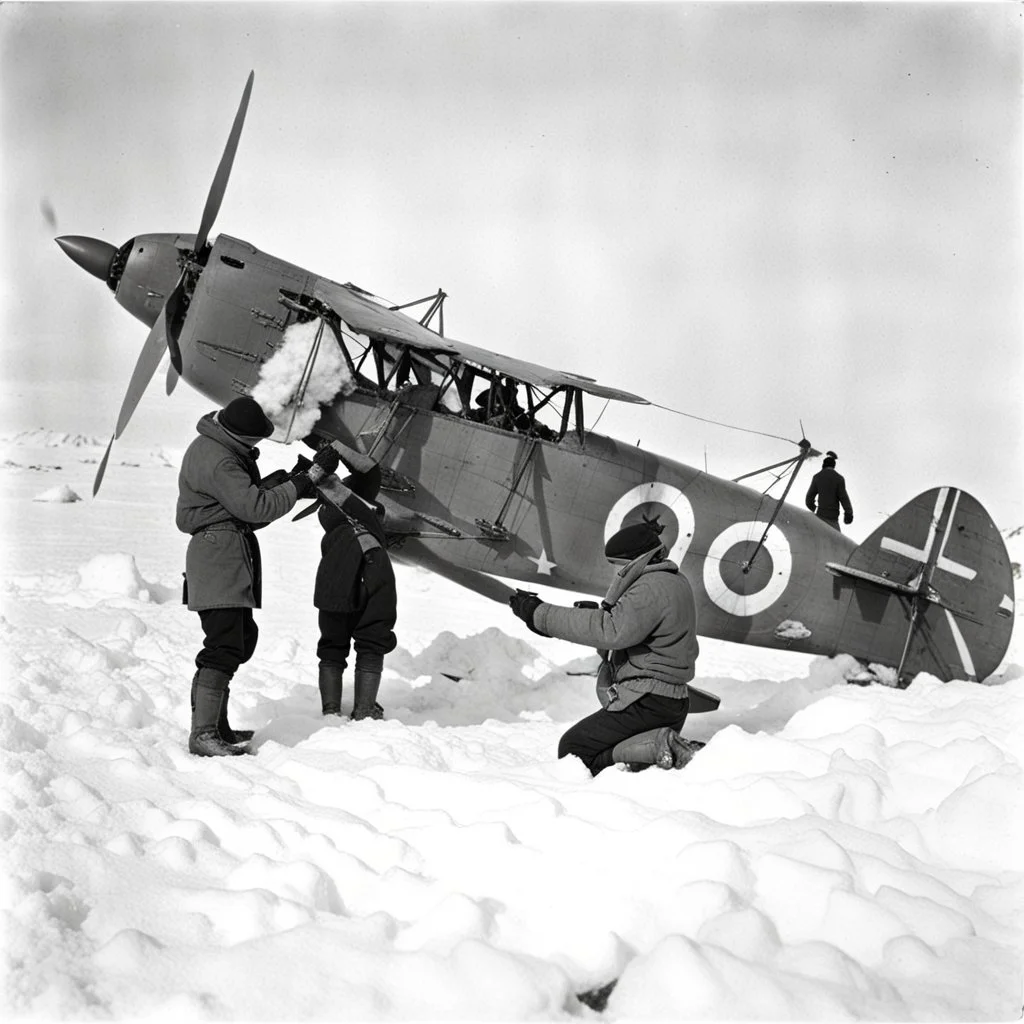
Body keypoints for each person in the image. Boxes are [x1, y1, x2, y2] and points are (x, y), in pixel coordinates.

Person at [177, 396, 339, 757]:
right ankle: (203, 734)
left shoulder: (217, 447)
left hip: (224, 554)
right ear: (242, 436)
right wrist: (305, 480)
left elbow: (246, 508)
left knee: (238, 638)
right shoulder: (219, 459)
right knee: (224, 644)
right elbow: (254, 507)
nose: (257, 446)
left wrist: (291, 483)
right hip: (219, 556)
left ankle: (215, 727)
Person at [509, 520, 703, 775]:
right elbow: (634, 627)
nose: (617, 573)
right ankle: (656, 746)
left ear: (636, 561)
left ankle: (661, 747)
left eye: (620, 567)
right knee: (595, 748)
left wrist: (538, 614)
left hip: (650, 703)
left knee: (574, 751)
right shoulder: (675, 581)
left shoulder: (651, 587)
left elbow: (609, 630)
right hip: (668, 701)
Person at [311, 441, 397, 721]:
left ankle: (331, 712)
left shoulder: (325, 505)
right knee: (373, 637)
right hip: (371, 563)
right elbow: (370, 470)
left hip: (335, 568)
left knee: (333, 640)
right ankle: (363, 710)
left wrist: (322, 463)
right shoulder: (352, 494)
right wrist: (336, 446)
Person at [805, 450, 853, 531]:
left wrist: (813, 508)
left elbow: (809, 498)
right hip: (833, 519)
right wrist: (848, 513)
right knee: (836, 542)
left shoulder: (817, 477)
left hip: (820, 517)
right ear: (834, 465)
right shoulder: (839, 478)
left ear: (823, 465)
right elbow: (844, 498)